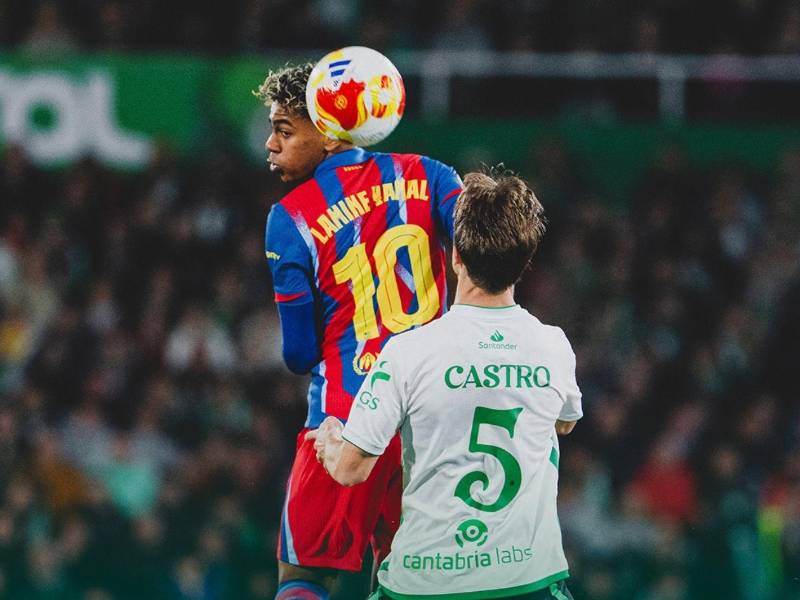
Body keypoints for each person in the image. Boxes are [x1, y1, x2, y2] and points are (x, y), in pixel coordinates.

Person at [309, 170, 582, 599]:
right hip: (527, 583)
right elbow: (565, 422)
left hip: (424, 584)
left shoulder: (408, 353)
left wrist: (330, 443)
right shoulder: (553, 347)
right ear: (524, 262)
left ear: (456, 255)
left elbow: (350, 468)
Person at [257, 63, 463, 599]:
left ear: (328, 132)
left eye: (284, 129)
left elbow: (300, 353)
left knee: (305, 576)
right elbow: (480, 254)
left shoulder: (290, 217)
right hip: (429, 424)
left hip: (341, 424)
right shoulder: (432, 174)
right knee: (407, 581)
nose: (270, 145)